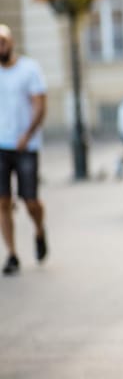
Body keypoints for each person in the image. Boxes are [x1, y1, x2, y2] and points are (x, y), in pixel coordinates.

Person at [0, 24, 48, 276]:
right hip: (1, 147)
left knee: (30, 201)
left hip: (26, 146)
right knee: (3, 201)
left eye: (3, 40)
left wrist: (27, 135)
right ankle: (12, 254)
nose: (0, 46)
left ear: (12, 41)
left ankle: (39, 230)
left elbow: (40, 105)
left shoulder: (29, 69)